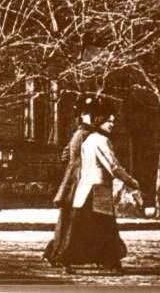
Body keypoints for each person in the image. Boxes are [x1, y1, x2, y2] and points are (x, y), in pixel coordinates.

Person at [58, 110, 139, 274]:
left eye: (113, 121)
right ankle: (111, 263)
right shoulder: (101, 140)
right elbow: (113, 166)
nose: (112, 124)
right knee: (106, 228)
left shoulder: (88, 140)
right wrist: (131, 181)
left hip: (85, 189)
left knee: (81, 227)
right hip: (97, 191)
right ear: (100, 121)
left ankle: (67, 260)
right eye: (109, 121)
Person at [43, 94, 98, 272]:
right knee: (76, 221)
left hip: (71, 183)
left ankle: (54, 253)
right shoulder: (89, 135)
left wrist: (72, 168)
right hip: (82, 183)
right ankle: (63, 256)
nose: (94, 117)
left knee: (67, 220)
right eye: (90, 114)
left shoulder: (77, 133)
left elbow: (65, 155)